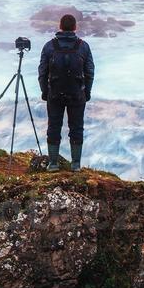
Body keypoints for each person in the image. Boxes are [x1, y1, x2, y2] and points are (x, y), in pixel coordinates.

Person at [38, 13, 95, 172]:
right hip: (77, 94)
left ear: (60, 27)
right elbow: (90, 72)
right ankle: (75, 165)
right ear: (75, 27)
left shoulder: (49, 46)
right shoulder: (83, 46)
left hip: (54, 94)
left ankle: (53, 164)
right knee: (76, 128)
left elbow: (42, 72)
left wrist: (45, 92)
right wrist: (87, 92)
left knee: (54, 127)